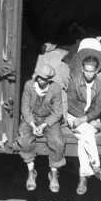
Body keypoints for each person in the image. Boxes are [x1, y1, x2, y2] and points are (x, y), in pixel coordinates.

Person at [65, 44, 101, 194]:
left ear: (97, 71)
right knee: (88, 133)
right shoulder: (74, 82)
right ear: (82, 69)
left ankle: (83, 177)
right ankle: (96, 166)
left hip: (88, 119)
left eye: (91, 71)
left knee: (83, 140)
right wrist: (83, 119)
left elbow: (98, 108)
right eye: (86, 70)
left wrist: (86, 119)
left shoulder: (100, 86)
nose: (88, 74)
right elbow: (71, 106)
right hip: (74, 116)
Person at [17, 64, 65, 192]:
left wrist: (44, 125)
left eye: (42, 78)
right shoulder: (29, 85)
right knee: (24, 139)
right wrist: (32, 125)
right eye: (38, 76)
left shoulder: (55, 88)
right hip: (31, 118)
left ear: (49, 79)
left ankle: (53, 173)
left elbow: (58, 112)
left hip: (48, 119)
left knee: (58, 141)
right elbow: (25, 108)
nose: (39, 79)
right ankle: (31, 171)